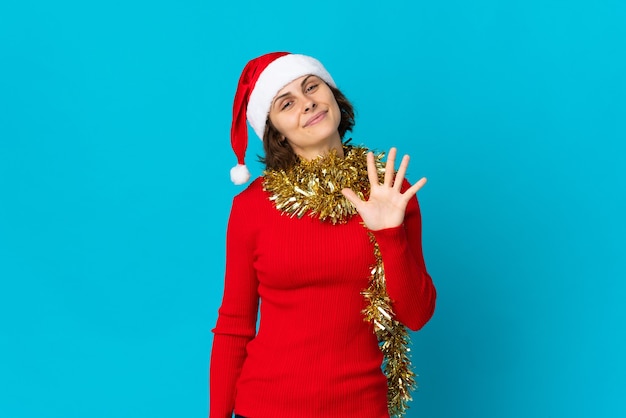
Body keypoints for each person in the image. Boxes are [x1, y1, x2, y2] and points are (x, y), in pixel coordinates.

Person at [210, 52, 436, 418]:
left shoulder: (389, 190)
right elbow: (234, 326)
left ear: (331, 93)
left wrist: (389, 234)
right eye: (287, 103)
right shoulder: (251, 207)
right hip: (264, 408)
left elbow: (417, 315)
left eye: (311, 87)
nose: (308, 103)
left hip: (361, 408)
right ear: (275, 130)